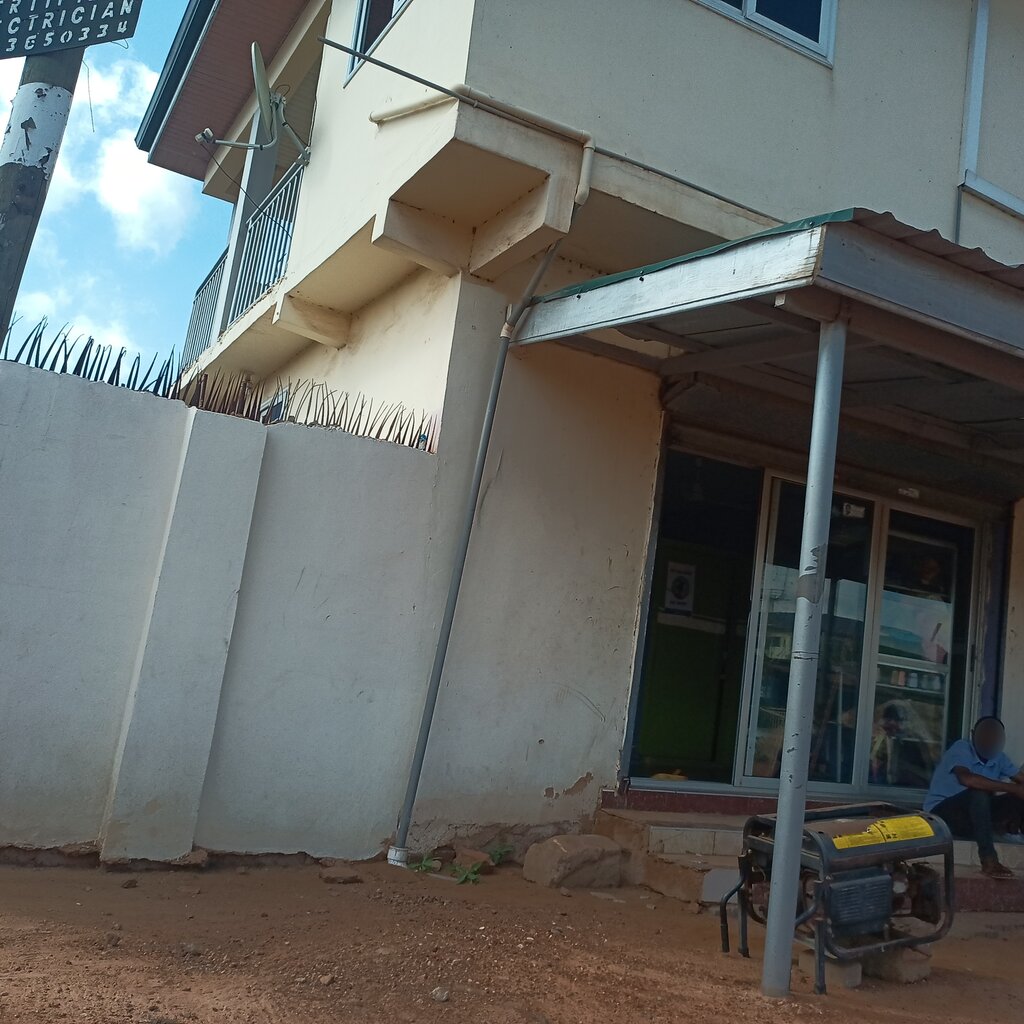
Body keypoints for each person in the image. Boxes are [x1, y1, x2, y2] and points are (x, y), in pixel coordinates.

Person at [924, 717, 1024, 879]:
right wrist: (1013, 788)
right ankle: (989, 860)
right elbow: (967, 779)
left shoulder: (1000, 758)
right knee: (978, 793)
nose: (990, 740)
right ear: (973, 735)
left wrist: (1018, 791)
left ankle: (1012, 830)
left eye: (996, 736)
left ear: (1003, 739)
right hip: (942, 816)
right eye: (985, 735)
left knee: (1017, 797)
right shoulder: (962, 748)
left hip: (975, 819)